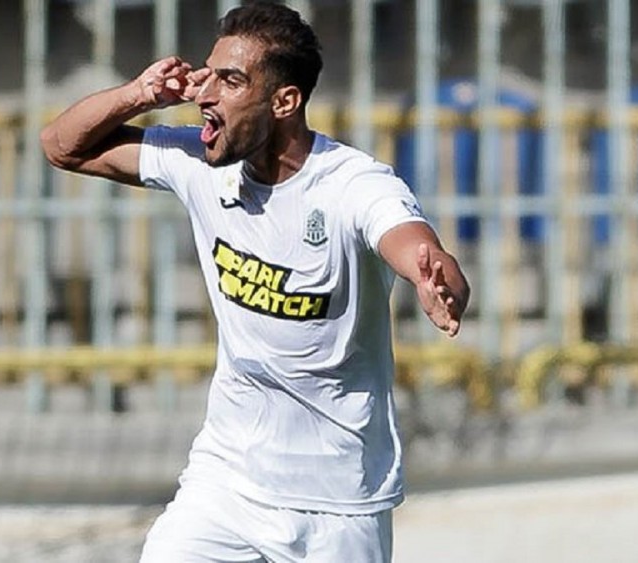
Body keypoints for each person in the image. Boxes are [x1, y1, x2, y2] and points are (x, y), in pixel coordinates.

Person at [41, 2, 470, 561]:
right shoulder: (198, 161)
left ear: (284, 102)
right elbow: (62, 146)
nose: (205, 93)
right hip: (226, 482)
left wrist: (433, 276)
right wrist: (138, 94)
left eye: (231, 80)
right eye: (209, 74)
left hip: (338, 498)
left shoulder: (352, 183)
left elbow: (411, 242)